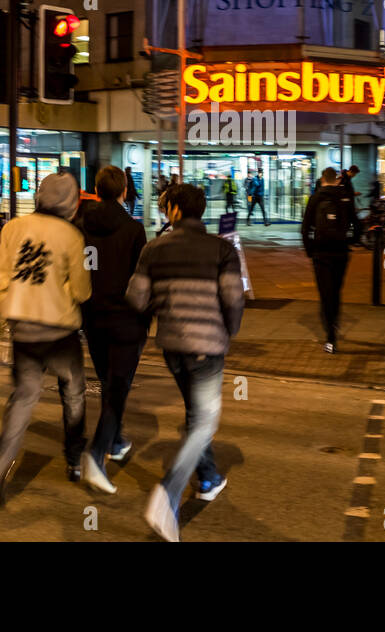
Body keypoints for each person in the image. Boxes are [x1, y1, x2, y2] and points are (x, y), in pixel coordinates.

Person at [126, 182, 245, 542]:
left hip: (172, 346)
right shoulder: (222, 249)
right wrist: (229, 331)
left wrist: (160, 307)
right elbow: (233, 298)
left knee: (197, 416)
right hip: (207, 346)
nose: (164, 212)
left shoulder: (154, 248)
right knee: (203, 421)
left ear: (176, 211)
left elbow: (135, 297)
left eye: (167, 207)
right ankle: (169, 491)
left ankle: (208, 479)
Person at [0, 172, 92, 506]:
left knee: (24, 397)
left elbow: (1, 279)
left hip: (24, 329)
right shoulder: (72, 236)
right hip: (60, 330)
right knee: (73, 393)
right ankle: (74, 460)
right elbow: (81, 291)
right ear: (71, 203)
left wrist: (10, 311)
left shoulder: (12, 228)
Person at [79, 166, 150, 494]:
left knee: (109, 381)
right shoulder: (133, 230)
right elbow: (141, 278)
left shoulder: (82, 226)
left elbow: (83, 268)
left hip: (93, 315)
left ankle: (117, 439)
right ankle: (96, 453)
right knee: (118, 385)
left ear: (96, 189)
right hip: (125, 319)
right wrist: (145, 318)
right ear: (123, 191)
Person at [302, 167, 352, 353]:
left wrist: (310, 250)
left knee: (325, 293)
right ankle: (334, 322)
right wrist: (349, 242)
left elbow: (305, 227)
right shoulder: (345, 196)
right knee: (336, 291)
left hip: (321, 253)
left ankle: (330, 334)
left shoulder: (316, 198)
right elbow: (356, 223)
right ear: (336, 179)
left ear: (323, 179)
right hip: (341, 252)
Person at [339, 165, 362, 244]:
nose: (355, 176)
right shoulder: (344, 179)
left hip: (348, 206)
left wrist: (354, 194)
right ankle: (352, 241)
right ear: (351, 172)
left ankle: (347, 243)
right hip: (347, 207)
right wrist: (352, 194)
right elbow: (344, 194)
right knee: (355, 224)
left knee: (347, 226)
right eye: (355, 174)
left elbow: (347, 193)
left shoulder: (347, 179)